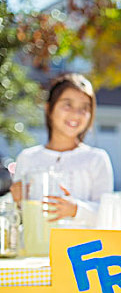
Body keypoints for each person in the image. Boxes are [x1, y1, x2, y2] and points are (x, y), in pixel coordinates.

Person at [10, 73, 113, 227]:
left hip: (80, 249)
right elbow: (16, 220)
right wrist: (17, 203)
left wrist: (76, 210)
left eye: (84, 108)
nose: (76, 114)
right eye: (68, 104)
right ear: (49, 108)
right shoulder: (28, 158)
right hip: (37, 249)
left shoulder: (96, 158)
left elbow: (108, 215)